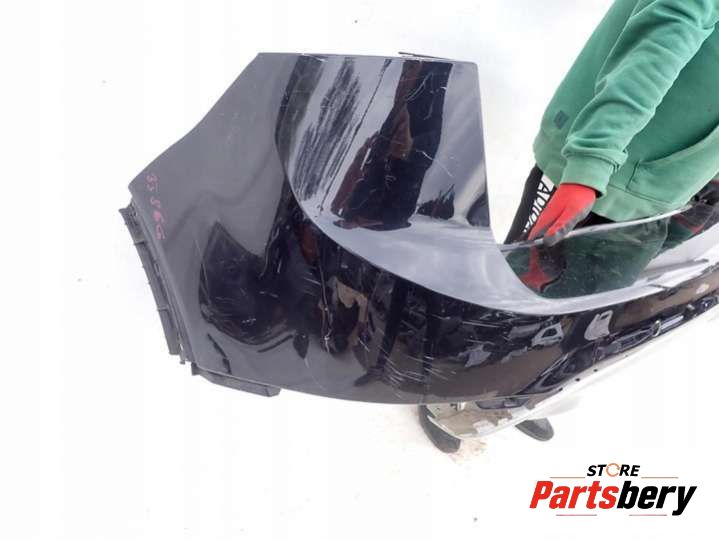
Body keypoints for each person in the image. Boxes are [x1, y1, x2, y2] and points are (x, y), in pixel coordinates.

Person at [527, 0, 719, 247]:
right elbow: (663, 39)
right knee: (514, 271)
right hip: (599, 173)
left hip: (679, 191)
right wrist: (591, 161)